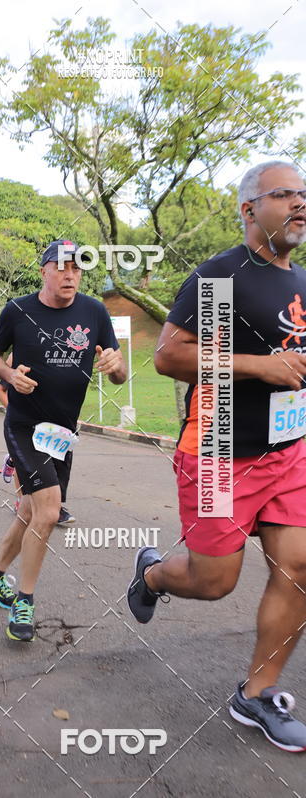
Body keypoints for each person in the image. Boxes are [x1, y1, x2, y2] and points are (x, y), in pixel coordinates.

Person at [127, 161, 306, 752]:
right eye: (285, 195)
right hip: (218, 451)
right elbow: (170, 357)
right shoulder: (220, 277)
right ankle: (153, 573)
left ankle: (256, 695)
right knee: (214, 581)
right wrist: (258, 367)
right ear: (250, 209)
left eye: (304, 194)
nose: (300, 204)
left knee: (300, 567)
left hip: (287, 450)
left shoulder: (301, 279)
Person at [0, 239, 126, 641]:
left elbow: (118, 372)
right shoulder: (19, 309)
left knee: (29, 511)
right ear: (43, 270)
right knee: (47, 511)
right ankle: (24, 602)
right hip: (25, 425)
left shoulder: (94, 311)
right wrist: (8, 375)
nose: (69, 274)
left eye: (77, 268)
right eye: (61, 266)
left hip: (62, 434)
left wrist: (116, 367)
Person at [0, 355, 76, 524]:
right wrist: (16, 414)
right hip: (24, 424)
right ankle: (21, 500)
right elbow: (0, 390)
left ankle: (55, 507)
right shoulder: (18, 353)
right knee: (23, 464)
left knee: (55, 461)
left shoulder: (60, 355)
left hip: (53, 424)